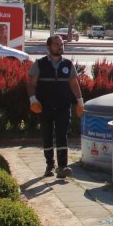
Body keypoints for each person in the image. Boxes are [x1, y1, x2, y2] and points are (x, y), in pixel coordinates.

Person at [26, 35, 84, 179]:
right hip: (44, 106)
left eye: (62, 44)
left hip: (63, 106)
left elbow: (74, 83)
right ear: (49, 47)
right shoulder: (40, 64)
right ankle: (49, 165)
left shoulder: (68, 64)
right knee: (47, 135)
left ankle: (63, 167)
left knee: (62, 135)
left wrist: (80, 101)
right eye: (57, 44)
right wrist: (33, 99)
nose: (60, 47)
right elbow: (31, 84)